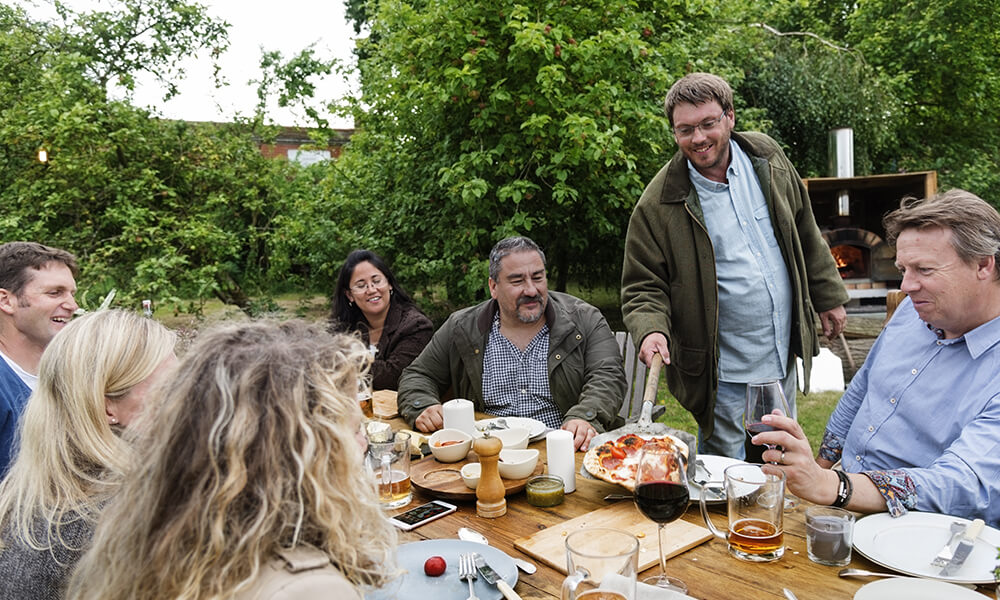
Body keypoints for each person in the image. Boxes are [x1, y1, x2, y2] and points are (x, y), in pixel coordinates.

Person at [65, 320, 398, 600]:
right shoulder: (310, 589)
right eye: (352, 430)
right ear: (303, 452)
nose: (364, 443)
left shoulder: (159, 534)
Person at [621, 72, 849, 459]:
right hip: (720, 367)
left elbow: (803, 228)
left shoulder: (767, 157)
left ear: (730, 116)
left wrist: (827, 296)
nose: (698, 138)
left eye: (708, 123)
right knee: (725, 466)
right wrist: (650, 330)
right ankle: (724, 519)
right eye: (685, 129)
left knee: (779, 454)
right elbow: (643, 285)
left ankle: (773, 515)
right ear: (674, 133)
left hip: (779, 350)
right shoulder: (659, 203)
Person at [757, 189, 1000, 524]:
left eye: (924, 269)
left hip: (922, 531)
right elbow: (861, 389)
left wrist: (834, 487)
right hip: (843, 495)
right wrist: (817, 470)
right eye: (903, 268)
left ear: (983, 264)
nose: (907, 285)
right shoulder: (912, 312)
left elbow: (962, 484)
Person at [0, 309, 176, 600]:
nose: (188, 396)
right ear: (107, 408)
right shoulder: (125, 515)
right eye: (170, 387)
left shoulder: (27, 496)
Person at [398, 236, 626, 450]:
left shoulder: (584, 319)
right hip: (489, 452)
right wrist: (423, 406)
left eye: (538, 277)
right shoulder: (462, 327)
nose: (531, 290)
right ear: (493, 287)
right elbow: (418, 375)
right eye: (517, 281)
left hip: (564, 448)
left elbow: (608, 376)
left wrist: (585, 416)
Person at [0, 242, 79, 476]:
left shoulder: (71, 372)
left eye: (72, 294)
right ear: (6, 301)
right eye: (55, 293)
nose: (72, 305)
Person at [330, 249, 433, 390]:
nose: (371, 290)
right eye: (361, 285)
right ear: (349, 295)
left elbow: (393, 377)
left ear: (389, 284)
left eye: (376, 281)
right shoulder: (343, 326)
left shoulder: (416, 325)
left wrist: (342, 362)